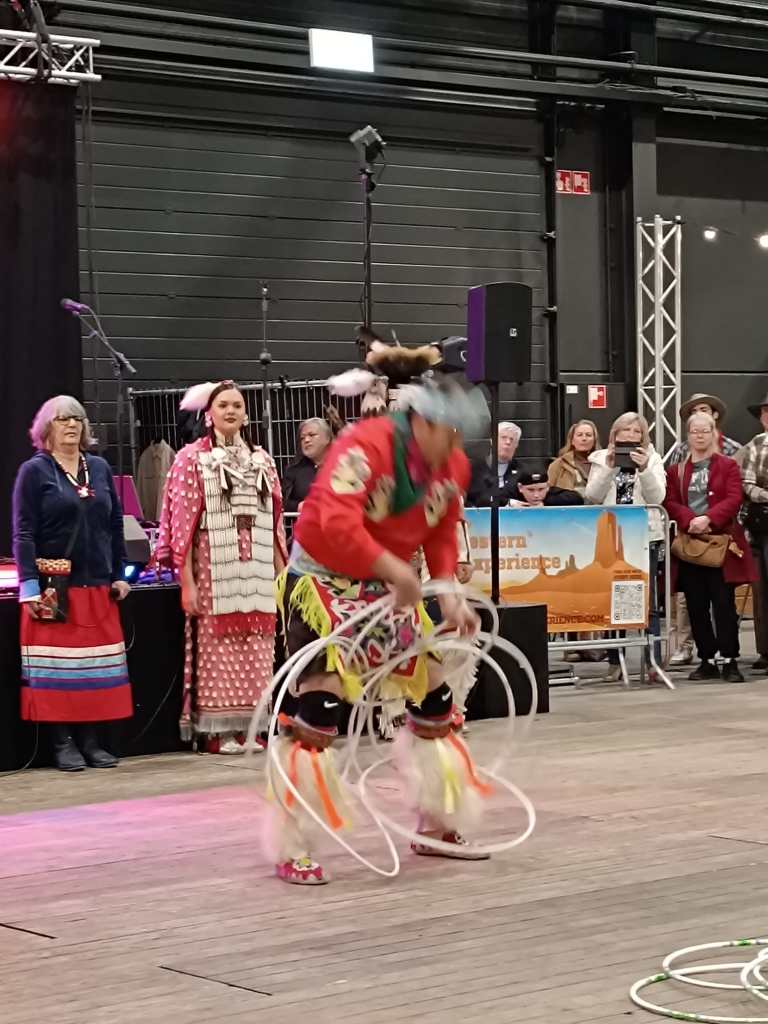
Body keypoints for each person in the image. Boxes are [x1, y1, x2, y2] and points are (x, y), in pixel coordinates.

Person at [271, 374, 490, 885]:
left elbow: (441, 528)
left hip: (389, 581)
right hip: (324, 577)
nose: (456, 446)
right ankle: (293, 844)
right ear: (422, 422)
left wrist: (448, 591)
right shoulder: (363, 448)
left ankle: (436, 823)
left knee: (435, 698)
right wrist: (395, 569)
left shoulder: (451, 463)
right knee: (320, 708)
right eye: (449, 432)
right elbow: (336, 522)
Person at [156, 381, 288, 754]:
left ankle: (252, 726)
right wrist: (187, 582)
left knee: (259, 647)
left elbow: (275, 523)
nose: (231, 411)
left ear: (246, 415)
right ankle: (220, 732)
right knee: (219, 647)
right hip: (212, 569)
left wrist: (284, 577)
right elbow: (181, 526)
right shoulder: (191, 459)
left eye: (237, 406)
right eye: (223, 405)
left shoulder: (263, 460)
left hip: (258, 568)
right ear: (208, 415)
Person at [12, 396, 132, 772]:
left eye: (77, 418)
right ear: (46, 428)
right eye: (62, 419)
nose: (71, 425)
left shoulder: (98, 468)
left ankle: (91, 742)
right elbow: (23, 533)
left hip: (97, 585)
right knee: (57, 672)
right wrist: (29, 585)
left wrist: (119, 572)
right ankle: (62, 742)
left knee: (94, 670)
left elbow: (115, 524)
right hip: (54, 588)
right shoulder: (34, 471)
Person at [665, 412, 756, 682]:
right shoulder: (676, 470)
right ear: (688, 435)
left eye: (705, 430)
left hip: (720, 544)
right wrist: (690, 520)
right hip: (690, 544)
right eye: (695, 431)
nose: (700, 435)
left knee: (723, 604)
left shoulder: (727, 466)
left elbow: (734, 498)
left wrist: (708, 518)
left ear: (713, 433)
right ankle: (707, 659)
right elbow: (669, 501)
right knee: (696, 605)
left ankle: (729, 659)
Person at [586, 412, 666, 681]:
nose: (631, 435)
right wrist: (609, 468)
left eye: (636, 431)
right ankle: (614, 660)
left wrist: (644, 470)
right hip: (611, 537)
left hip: (644, 537)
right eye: (625, 430)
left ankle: (652, 661)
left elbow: (658, 497)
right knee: (614, 601)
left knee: (648, 602)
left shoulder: (653, 459)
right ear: (615, 434)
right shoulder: (601, 458)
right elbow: (593, 495)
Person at [739, 391, 768, 673]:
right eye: (766, 412)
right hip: (763, 525)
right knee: (762, 590)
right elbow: (746, 484)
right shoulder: (756, 445)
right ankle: (765, 651)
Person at [281, 418, 333, 514]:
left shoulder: (342, 465)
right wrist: (298, 506)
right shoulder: (293, 470)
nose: (306, 440)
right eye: (302, 438)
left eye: (312, 435)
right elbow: (282, 502)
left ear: (327, 438)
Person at [466, 421, 522, 506]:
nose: (508, 442)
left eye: (512, 439)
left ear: (516, 445)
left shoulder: (522, 471)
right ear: (492, 441)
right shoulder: (473, 469)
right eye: (503, 437)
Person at [547, 420, 601, 497]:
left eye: (588, 435)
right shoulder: (559, 464)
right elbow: (547, 492)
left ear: (594, 440)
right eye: (579, 435)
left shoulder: (603, 463)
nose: (584, 438)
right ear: (572, 440)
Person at [508, 469, 584, 508]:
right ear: (520, 487)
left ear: (547, 486)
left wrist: (545, 503)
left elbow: (577, 498)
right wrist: (509, 503)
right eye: (531, 490)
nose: (536, 495)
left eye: (541, 489)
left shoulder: (551, 493)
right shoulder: (512, 492)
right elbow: (501, 499)